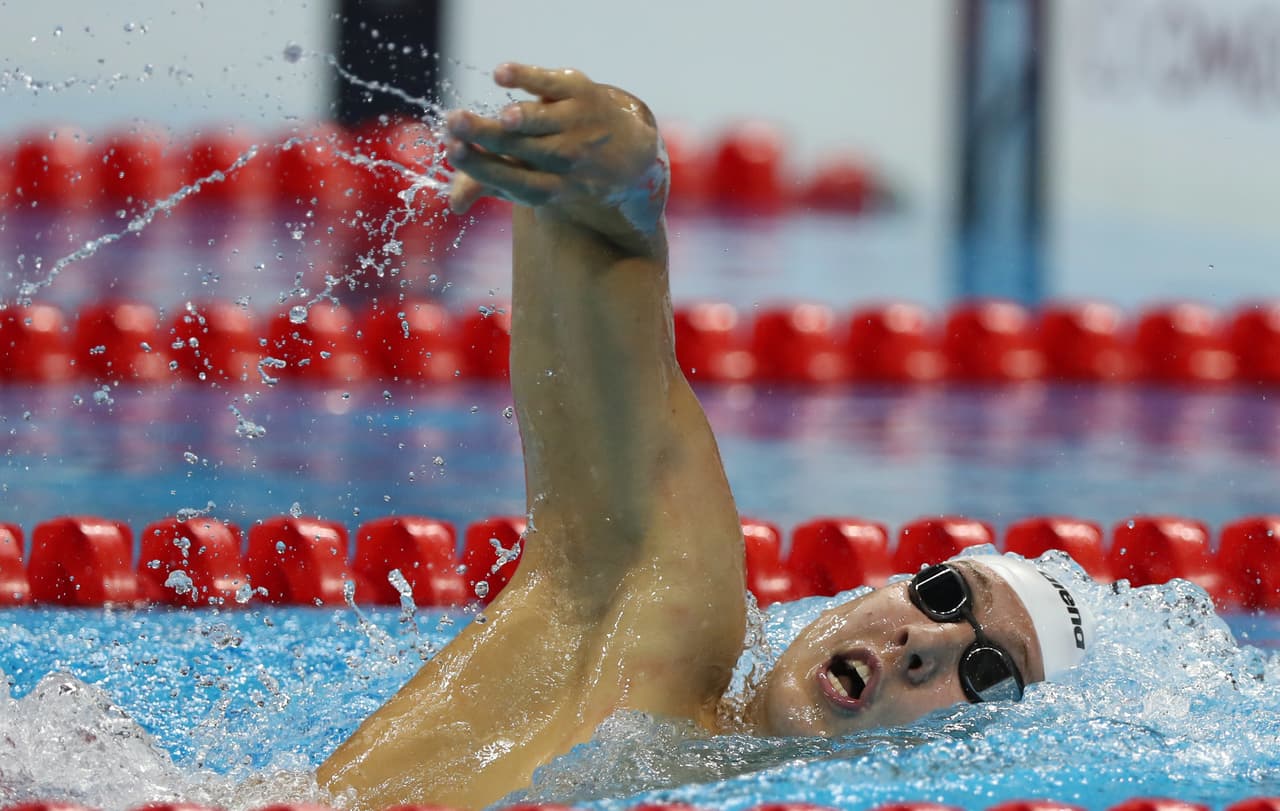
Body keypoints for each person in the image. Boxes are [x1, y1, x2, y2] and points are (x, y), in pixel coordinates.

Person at [315, 63, 1095, 811]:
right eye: (944, 591)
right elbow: (616, 325)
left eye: (990, 673)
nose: (925, 642)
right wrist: (625, 164)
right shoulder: (658, 652)